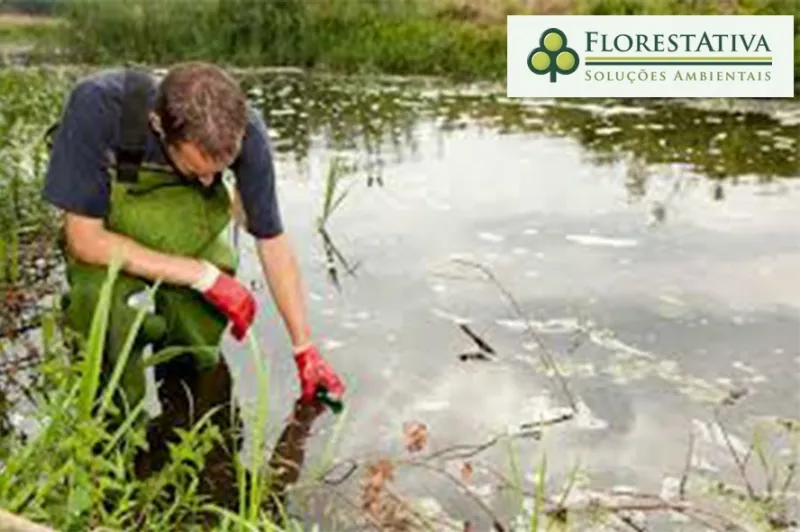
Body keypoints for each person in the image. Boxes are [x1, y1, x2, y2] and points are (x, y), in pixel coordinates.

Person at [42, 62, 345, 505]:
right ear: (159, 126)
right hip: (106, 234)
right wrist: (203, 277)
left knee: (197, 339)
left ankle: (190, 410)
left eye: (218, 172)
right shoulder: (97, 106)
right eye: (196, 169)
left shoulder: (245, 130)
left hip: (183, 228)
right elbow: (85, 240)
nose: (209, 181)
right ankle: (111, 450)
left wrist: (304, 346)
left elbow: (271, 238)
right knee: (101, 308)